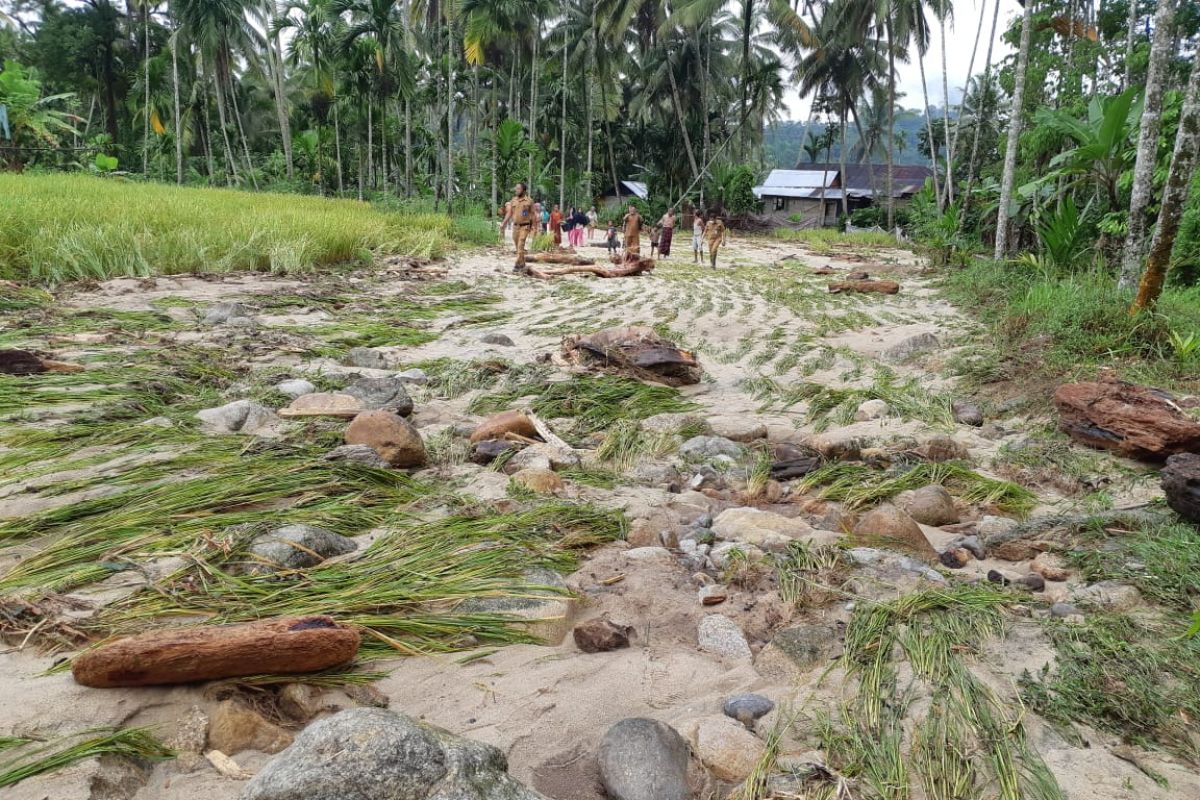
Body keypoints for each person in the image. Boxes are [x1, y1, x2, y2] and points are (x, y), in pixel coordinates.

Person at [501, 182, 536, 273]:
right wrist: (504, 223)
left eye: (518, 189)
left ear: (524, 190)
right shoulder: (513, 200)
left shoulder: (529, 201)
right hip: (515, 227)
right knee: (518, 248)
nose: (516, 190)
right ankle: (522, 264)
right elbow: (509, 213)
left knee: (520, 246)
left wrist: (535, 227)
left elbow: (532, 215)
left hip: (525, 226)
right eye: (516, 189)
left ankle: (516, 266)